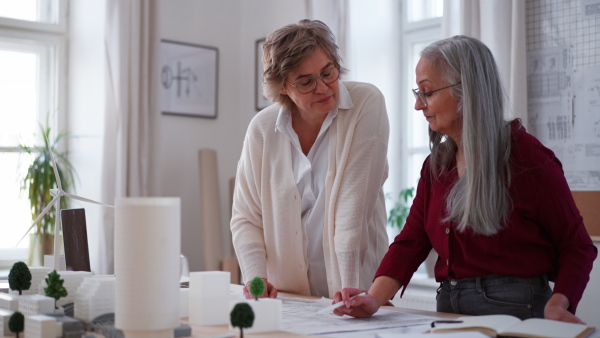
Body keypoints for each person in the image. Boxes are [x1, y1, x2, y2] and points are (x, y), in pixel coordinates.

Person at [333, 35, 597, 323]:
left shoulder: (528, 158)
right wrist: (372, 298)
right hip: (448, 306)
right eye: (416, 93)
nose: (418, 106)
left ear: (466, 91)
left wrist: (559, 305)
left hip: (515, 310)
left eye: (427, 92)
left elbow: (577, 246)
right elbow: (411, 241)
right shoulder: (436, 166)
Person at [230, 19, 389, 299]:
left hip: (357, 293)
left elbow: (353, 209)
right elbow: (246, 217)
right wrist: (256, 279)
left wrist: (349, 288)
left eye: (328, 72)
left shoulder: (366, 103)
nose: (323, 88)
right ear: (282, 87)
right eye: (305, 82)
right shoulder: (262, 129)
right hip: (288, 298)